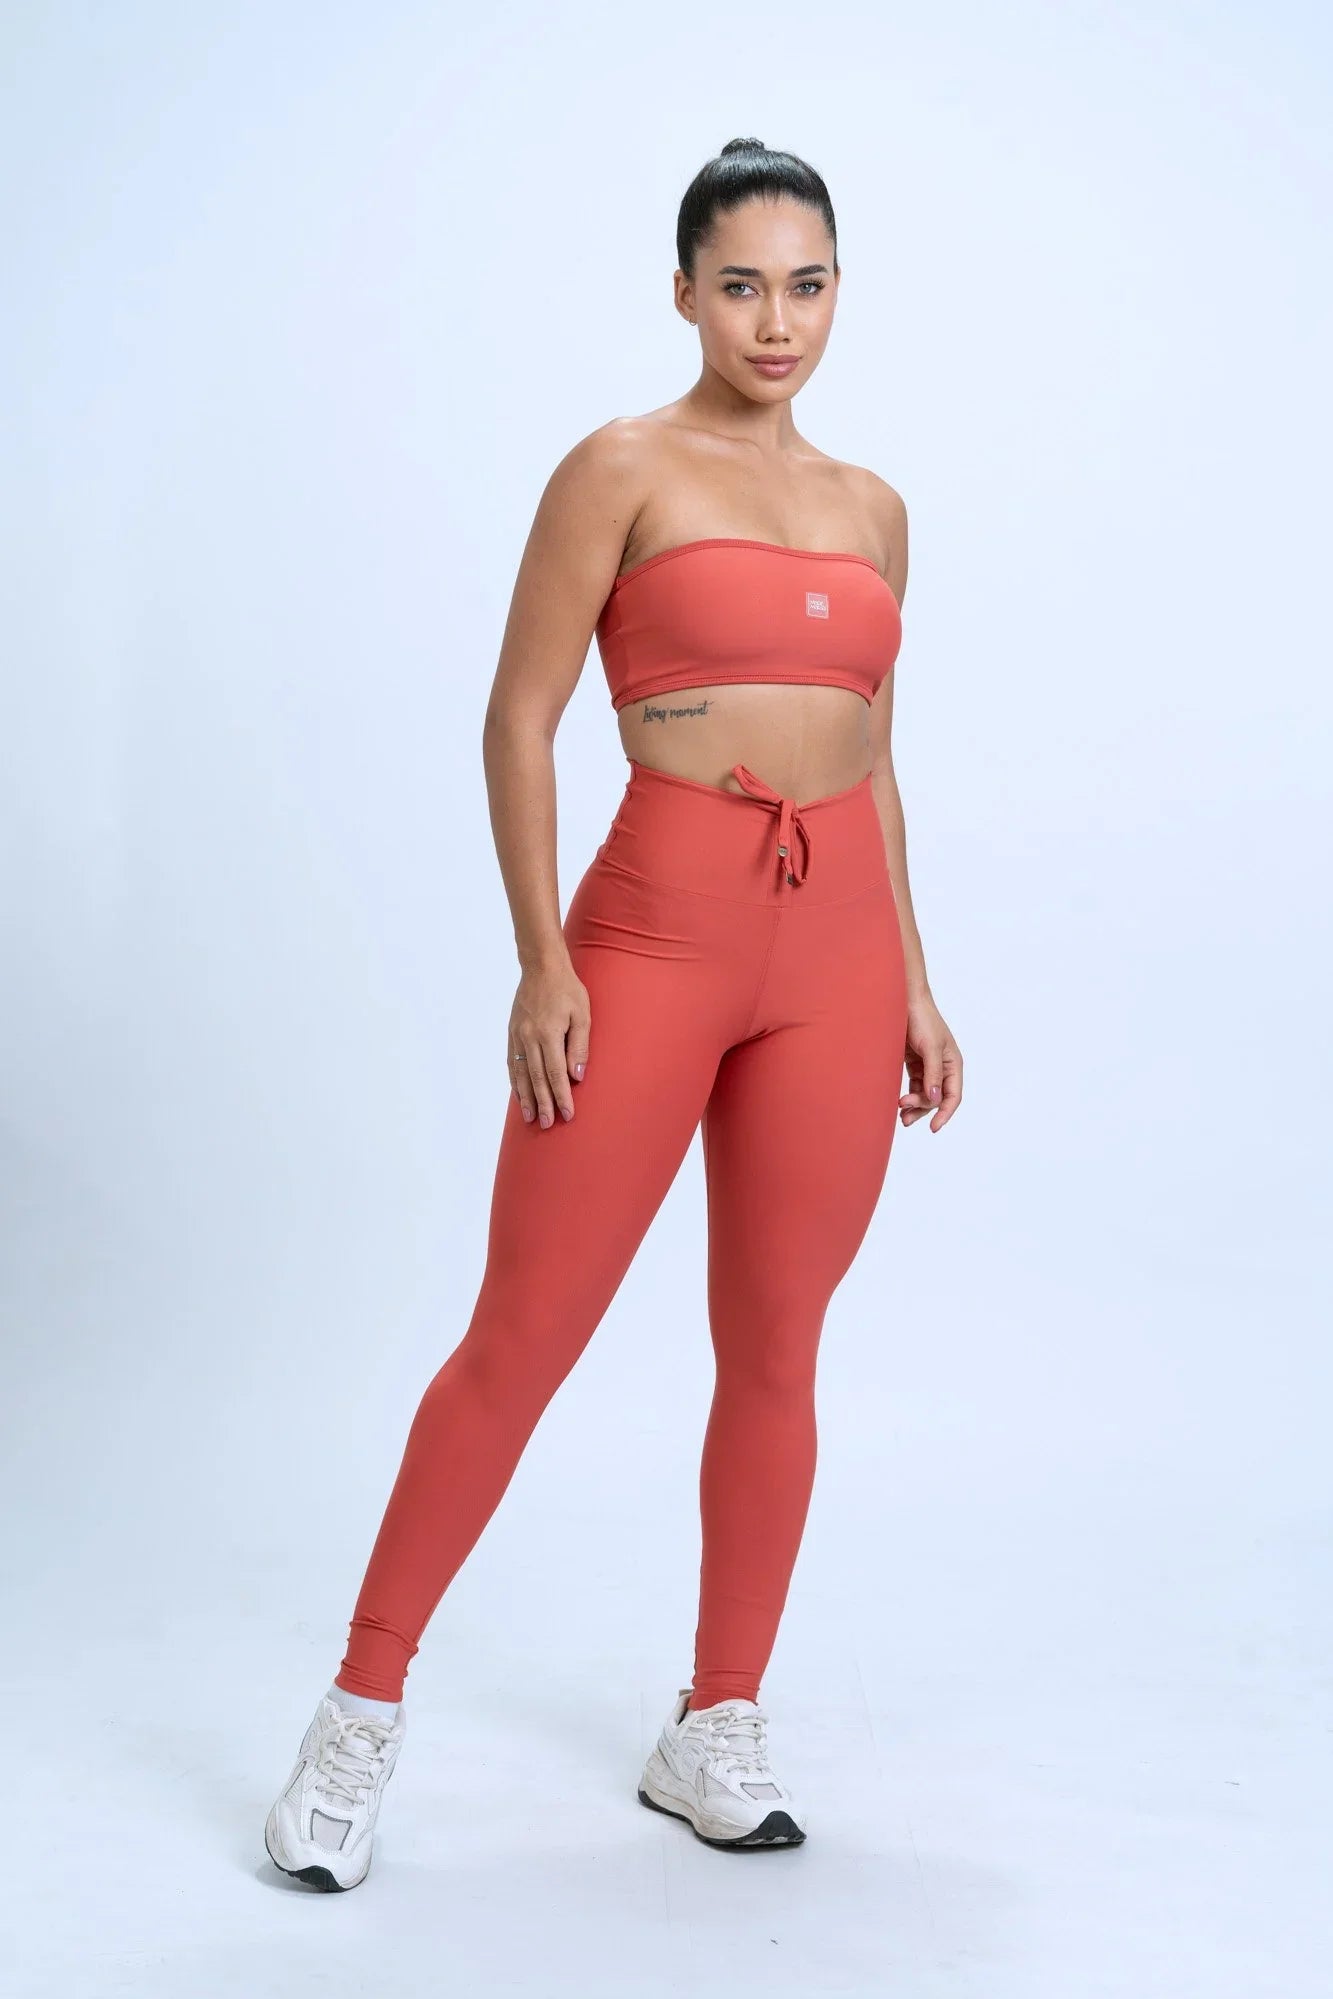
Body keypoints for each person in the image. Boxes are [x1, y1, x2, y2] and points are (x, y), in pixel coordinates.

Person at [264, 134, 964, 1892]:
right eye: (740, 285)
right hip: (653, 932)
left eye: (806, 285)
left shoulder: (874, 507)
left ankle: (714, 1721)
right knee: (525, 1332)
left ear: (839, 294)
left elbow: (871, 757)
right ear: (682, 293)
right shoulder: (620, 467)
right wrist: (541, 958)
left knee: (778, 1345)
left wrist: (914, 978)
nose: (775, 321)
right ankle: (356, 1716)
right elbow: (519, 717)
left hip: (834, 959)